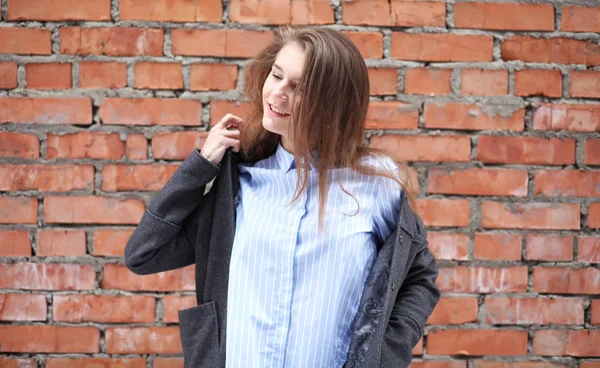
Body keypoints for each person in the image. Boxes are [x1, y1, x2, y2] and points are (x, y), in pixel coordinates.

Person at [125, 26, 440, 368]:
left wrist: (384, 354)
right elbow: (143, 254)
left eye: (298, 88)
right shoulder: (239, 188)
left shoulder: (377, 187)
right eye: (276, 76)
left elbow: (419, 278)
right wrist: (200, 166)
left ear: (333, 104)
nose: (278, 93)